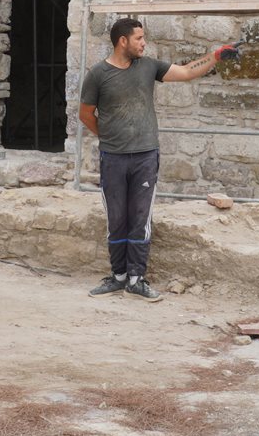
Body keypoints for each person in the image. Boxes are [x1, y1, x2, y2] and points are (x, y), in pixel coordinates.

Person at [78, 17, 231, 301]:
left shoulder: (149, 66)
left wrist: (216, 55)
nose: (143, 43)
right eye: (139, 38)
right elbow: (85, 114)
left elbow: (186, 72)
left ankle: (136, 280)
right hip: (113, 158)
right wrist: (110, 137)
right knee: (116, 219)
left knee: (140, 218)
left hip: (145, 156)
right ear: (122, 41)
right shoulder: (98, 74)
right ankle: (118, 277)